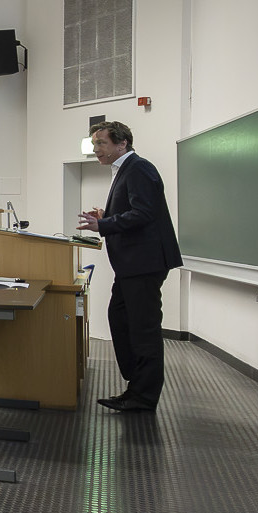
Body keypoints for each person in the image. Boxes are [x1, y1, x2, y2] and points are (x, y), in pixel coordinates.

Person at [77, 120, 182, 413]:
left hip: (144, 263)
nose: (96, 149)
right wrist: (106, 214)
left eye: (102, 143)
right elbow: (134, 210)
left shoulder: (139, 168)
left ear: (122, 144)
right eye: (95, 143)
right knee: (121, 319)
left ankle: (144, 396)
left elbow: (144, 213)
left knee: (143, 329)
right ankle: (136, 386)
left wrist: (104, 223)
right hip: (132, 265)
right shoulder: (126, 169)